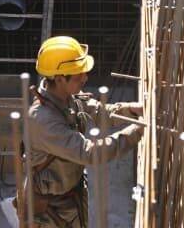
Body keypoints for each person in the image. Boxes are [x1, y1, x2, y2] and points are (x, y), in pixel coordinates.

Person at [19, 36, 143, 227]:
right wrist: (136, 132)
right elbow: (89, 152)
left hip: (70, 199)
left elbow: (99, 112)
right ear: (60, 79)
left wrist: (130, 110)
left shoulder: (66, 96)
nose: (85, 78)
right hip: (48, 211)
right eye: (78, 75)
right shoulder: (43, 120)